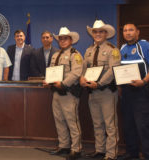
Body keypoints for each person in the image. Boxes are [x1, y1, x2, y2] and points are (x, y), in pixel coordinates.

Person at [80, 20, 120, 160]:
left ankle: (111, 154)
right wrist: (82, 78)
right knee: (97, 123)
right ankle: (100, 150)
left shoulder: (112, 50)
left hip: (107, 92)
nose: (97, 34)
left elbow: (112, 70)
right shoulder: (89, 50)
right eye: (95, 32)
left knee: (110, 125)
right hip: (92, 92)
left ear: (106, 34)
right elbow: (84, 68)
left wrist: (100, 83)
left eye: (100, 32)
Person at [119, 23, 149, 160]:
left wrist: (143, 82)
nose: (128, 32)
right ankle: (133, 154)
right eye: (125, 30)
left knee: (144, 127)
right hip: (126, 93)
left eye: (131, 30)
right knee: (129, 126)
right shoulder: (123, 48)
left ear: (137, 32)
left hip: (141, 92)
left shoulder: (145, 45)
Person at [45, 27, 83, 160]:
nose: (62, 41)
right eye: (60, 39)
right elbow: (51, 71)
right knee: (59, 120)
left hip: (69, 92)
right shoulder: (55, 55)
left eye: (65, 38)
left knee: (72, 121)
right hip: (56, 92)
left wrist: (63, 83)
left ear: (71, 40)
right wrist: (47, 80)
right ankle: (64, 146)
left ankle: (76, 149)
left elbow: (76, 73)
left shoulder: (75, 54)